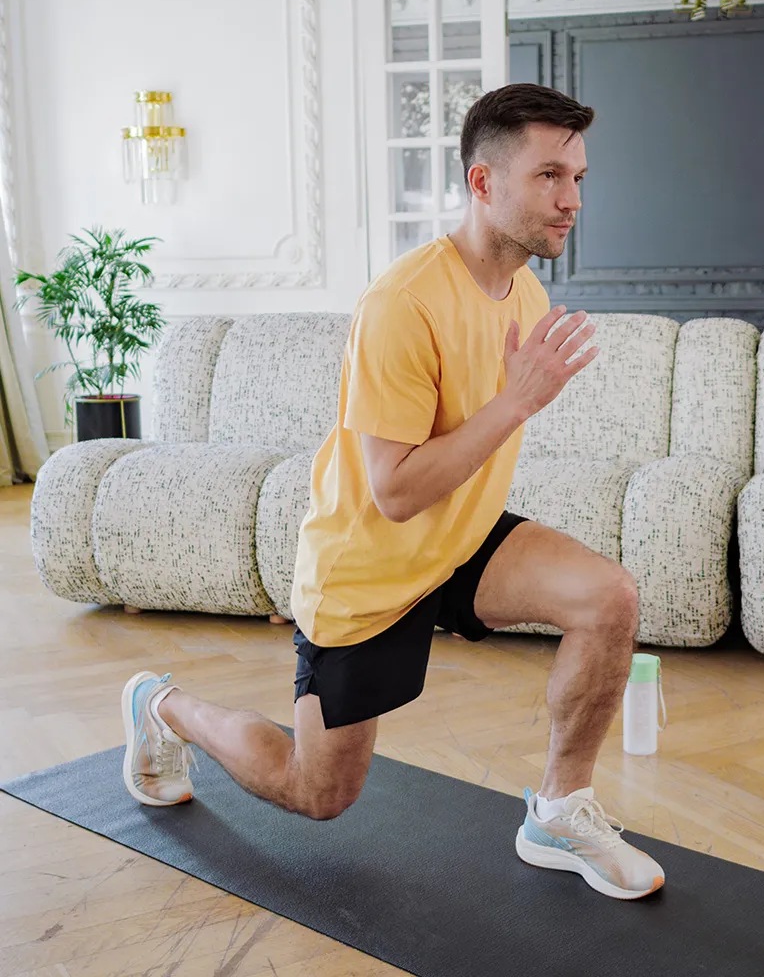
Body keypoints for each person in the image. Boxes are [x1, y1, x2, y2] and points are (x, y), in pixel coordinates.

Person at [122, 83, 664, 901]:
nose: (572, 200)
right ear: (483, 183)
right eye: (550, 176)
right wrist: (518, 401)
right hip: (369, 568)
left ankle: (559, 812)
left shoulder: (524, 292)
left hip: (460, 539)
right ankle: (163, 708)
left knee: (608, 599)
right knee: (317, 791)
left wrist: (514, 402)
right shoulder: (402, 304)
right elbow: (397, 494)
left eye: (578, 177)